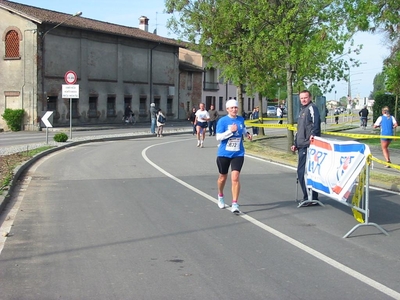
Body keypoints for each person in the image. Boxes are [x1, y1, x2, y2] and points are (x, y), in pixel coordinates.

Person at [216, 99, 252, 213]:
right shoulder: (222, 121)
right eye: (231, 108)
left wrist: (247, 135)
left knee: (235, 177)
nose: (234, 110)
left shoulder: (241, 119)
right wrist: (230, 131)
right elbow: (218, 137)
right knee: (222, 177)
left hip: (238, 153)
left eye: (235, 108)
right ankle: (220, 195)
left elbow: (243, 130)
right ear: (227, 109)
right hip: (224, 153)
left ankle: (235, 203)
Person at [290, 90, 321, 206]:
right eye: (301, 98)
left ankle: (311, 197)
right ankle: (309, 196)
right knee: (303, 172)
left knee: (304, 172)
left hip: (309, 145)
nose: (303, 99)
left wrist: (313, 134)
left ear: (310, 97)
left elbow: (316, 123)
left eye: (305, 97)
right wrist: (295, 144)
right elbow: (299, 130)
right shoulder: (302, 110)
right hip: (301, 145)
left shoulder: (312, 108)